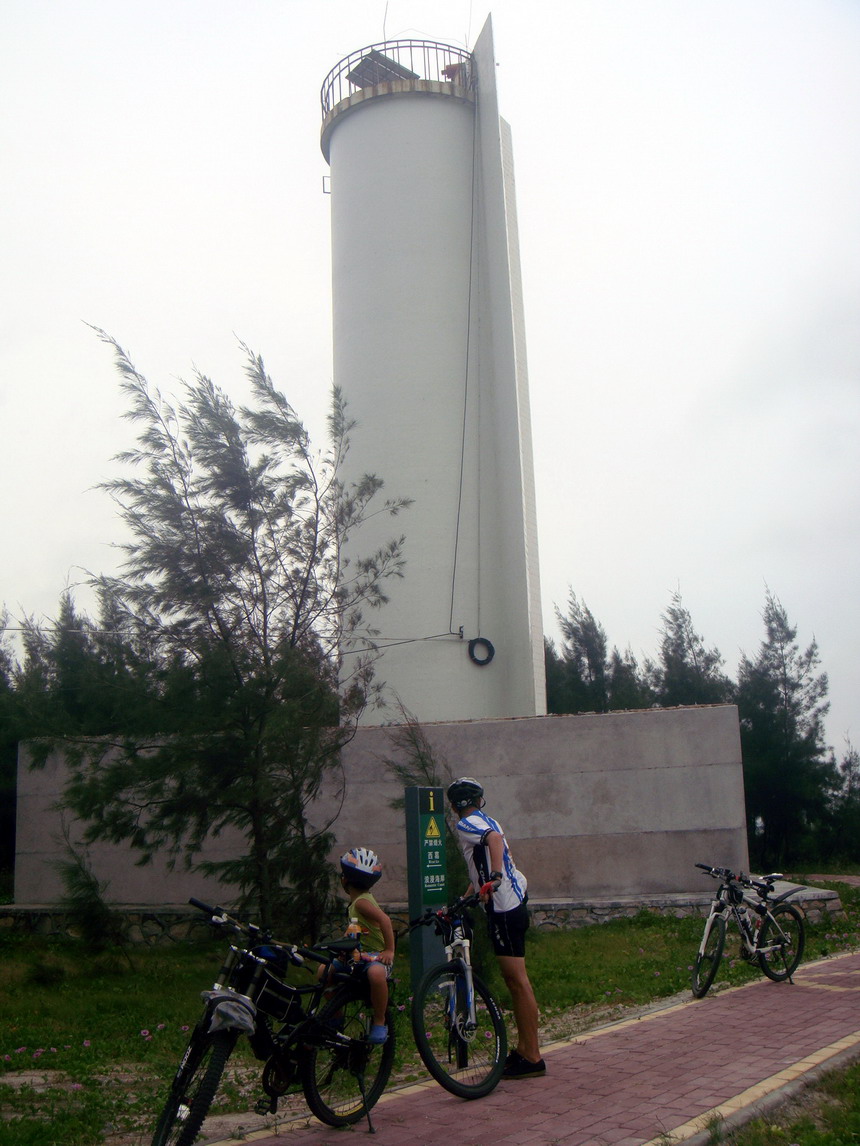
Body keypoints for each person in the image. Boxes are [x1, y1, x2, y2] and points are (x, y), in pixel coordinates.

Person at [447, 777, 546, 1079]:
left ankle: (532, 1057)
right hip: (512, 903)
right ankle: (525, 1050)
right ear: (479, 799)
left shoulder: (467, 824)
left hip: (504, 910)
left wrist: (495, 877)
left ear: (454, 806)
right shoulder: (486, 819)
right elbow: (482, 863)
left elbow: (494, 841)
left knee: (517, 982)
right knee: (517, 981)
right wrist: (467, 895)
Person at [334, 846, 396, 1044]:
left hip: (376, 956)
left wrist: (389, 950)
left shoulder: (361, 903)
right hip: (358, 955)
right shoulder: (356, 903)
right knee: (324, 971)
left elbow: (385, 920)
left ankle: (379, 1020)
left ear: (344, 879)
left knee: (376, 974)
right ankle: (334, 1013)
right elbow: (355, 929)